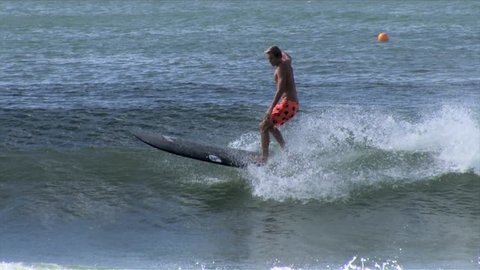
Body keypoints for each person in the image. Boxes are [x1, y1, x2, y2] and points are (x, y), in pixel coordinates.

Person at [258, 46, 299, 163]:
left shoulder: (281, 68)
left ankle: (264, 158)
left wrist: (270, 108)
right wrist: (278, 49)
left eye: (271, 58)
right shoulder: (287, 62)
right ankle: (287, 152)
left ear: (278, 57)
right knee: (270, 126)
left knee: (263, 125)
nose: (269, 61)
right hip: (292, 104)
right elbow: (288, 56)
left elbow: (280, 90)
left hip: (288, 103)